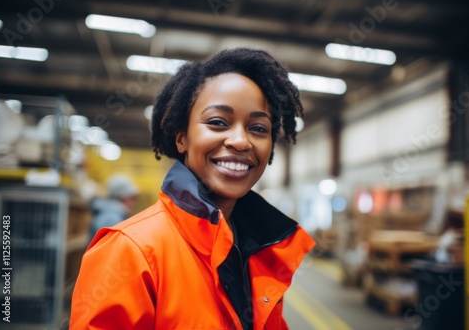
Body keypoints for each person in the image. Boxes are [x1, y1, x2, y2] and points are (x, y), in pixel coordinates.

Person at [70, 48, 315, 329]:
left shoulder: (260, 248)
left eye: (258, 128)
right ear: (182, 139)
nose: (240, 141)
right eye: (218, 122)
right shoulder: (130, 252)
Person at [88, 174, 139, 242]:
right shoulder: (112, 219)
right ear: (122, 197)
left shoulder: (110, 213)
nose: (134, 202)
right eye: (133, 197)